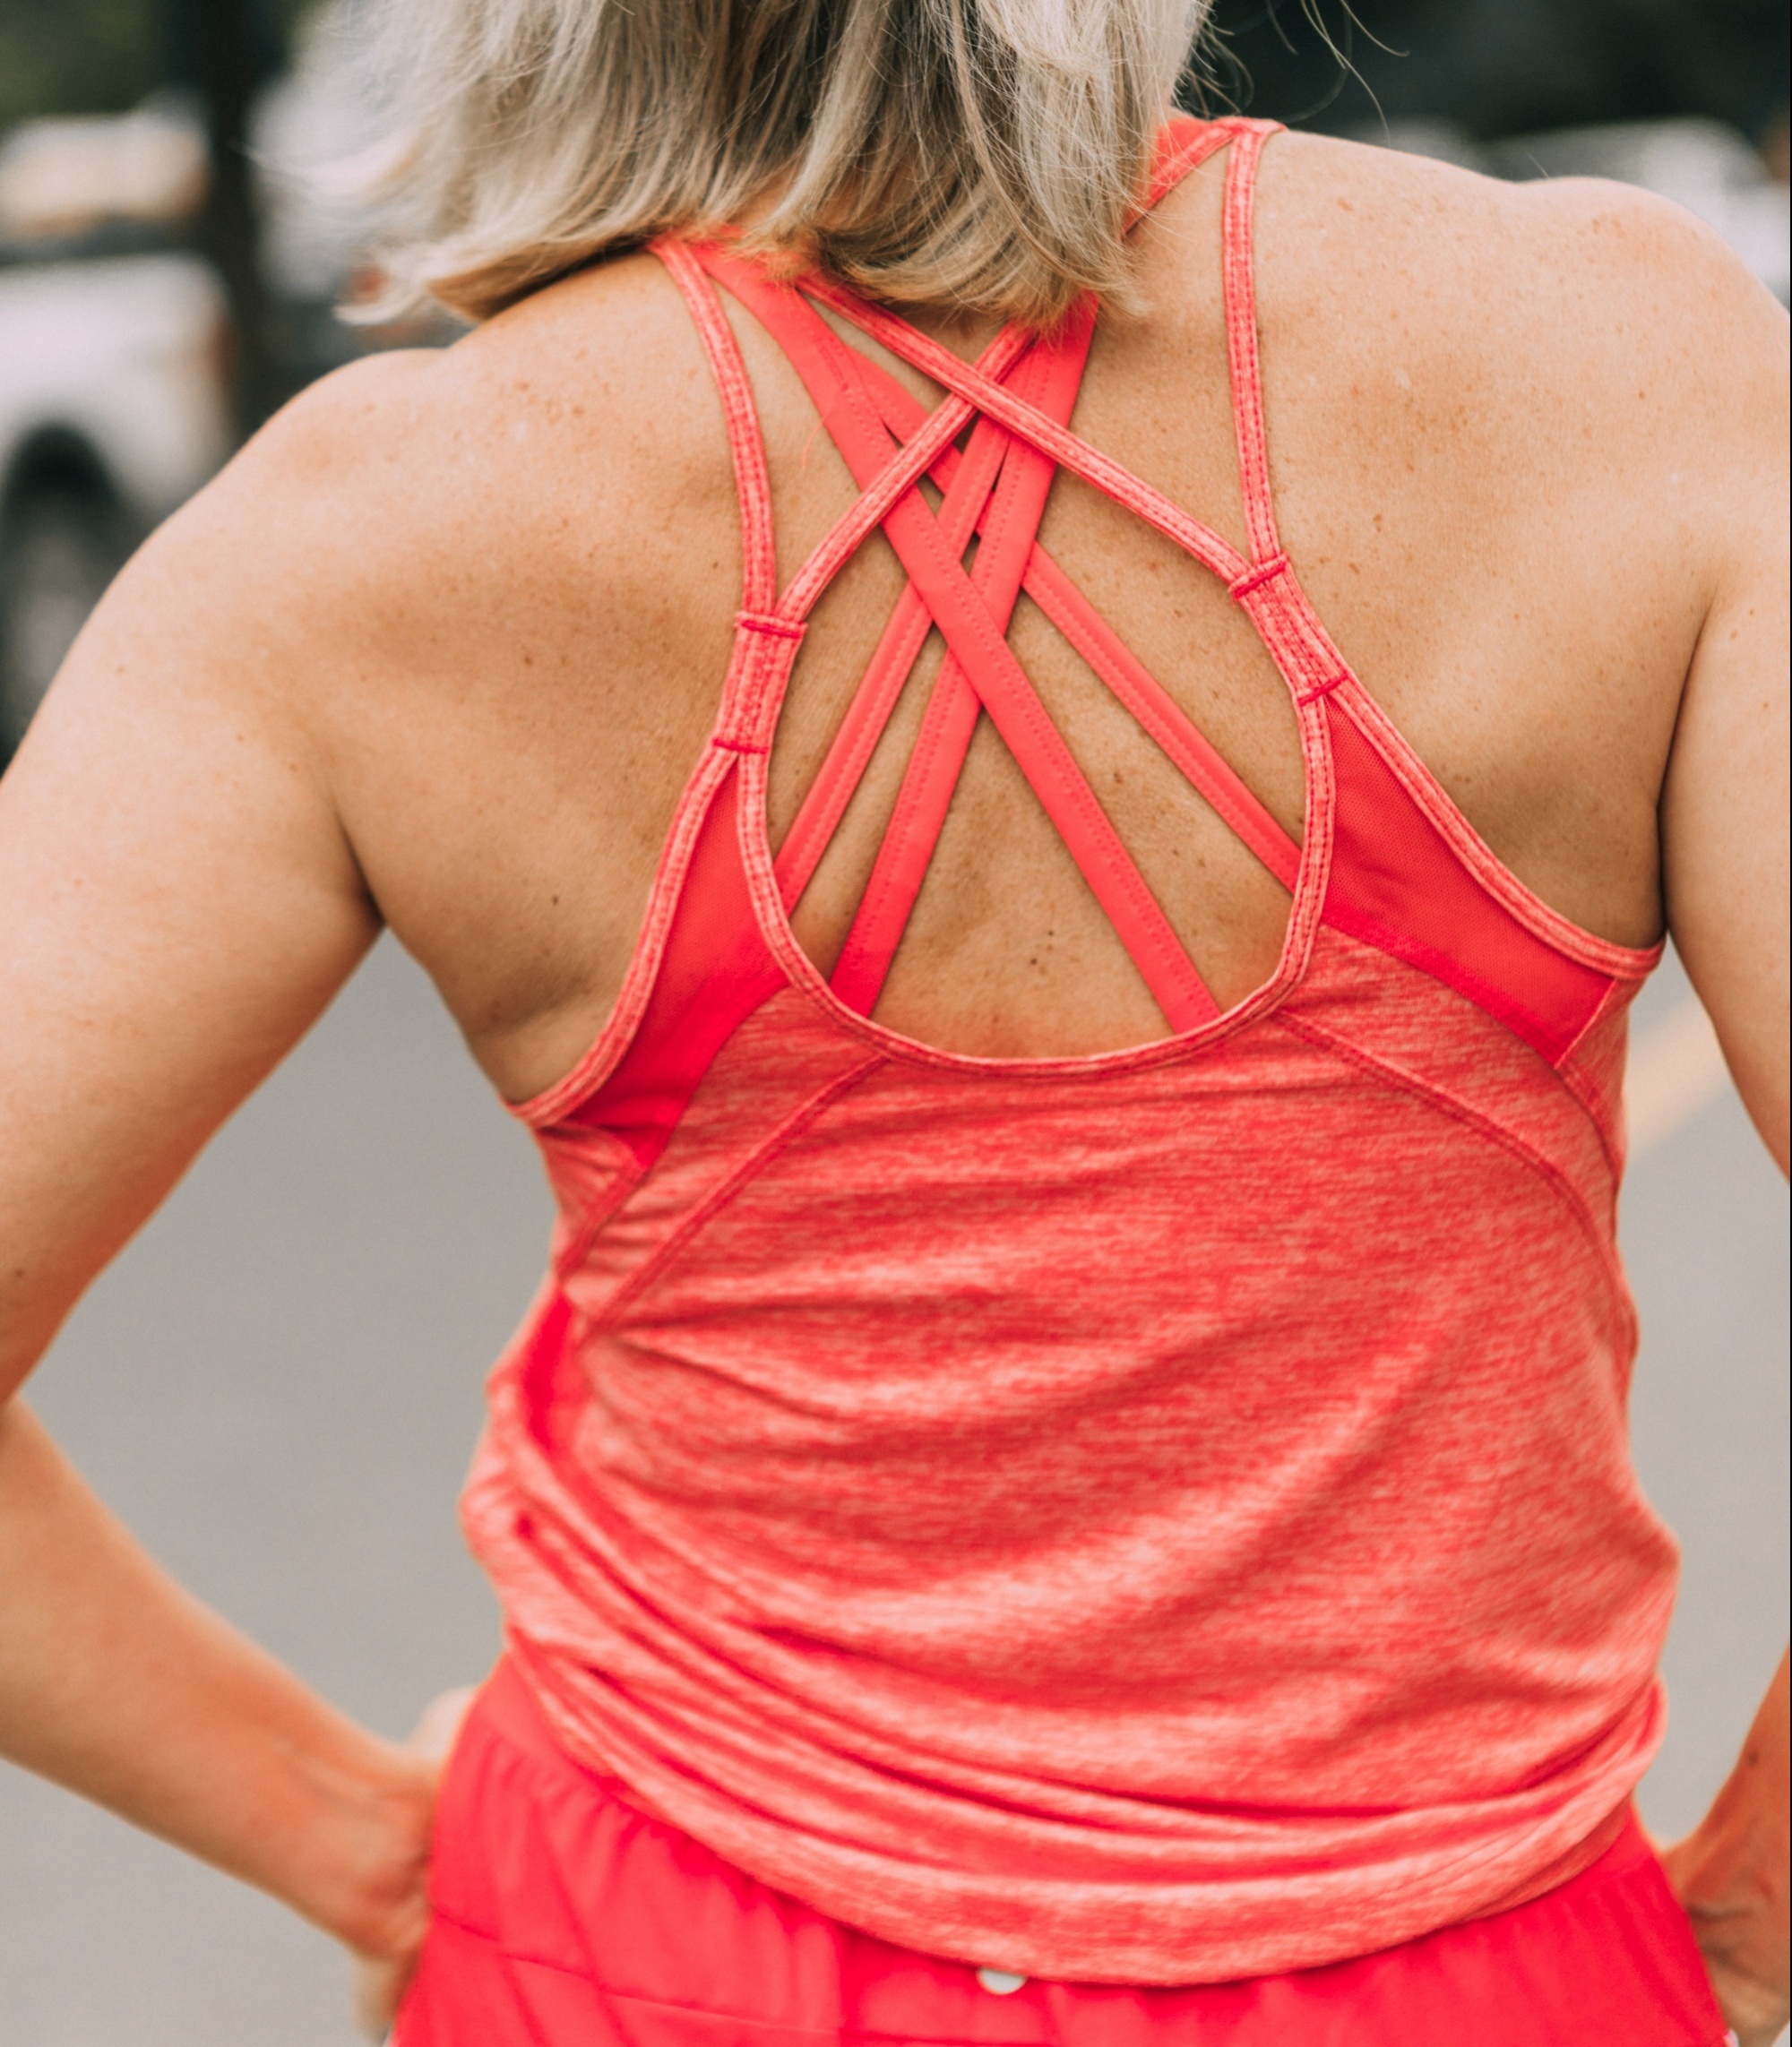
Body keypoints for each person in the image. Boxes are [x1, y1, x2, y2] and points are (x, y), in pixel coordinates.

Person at [0, 0, 1785, 2038]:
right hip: (1468, 1974)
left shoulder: (364, 533)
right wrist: (1759, 1902)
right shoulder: (1624, 365)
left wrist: (347, 1835)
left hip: (639, 1959)